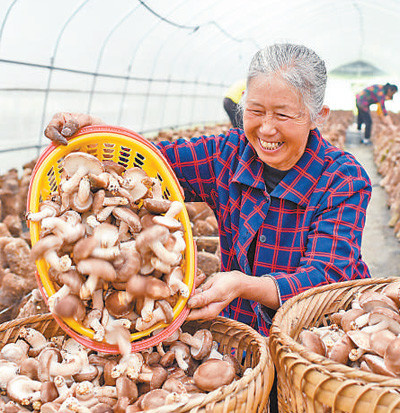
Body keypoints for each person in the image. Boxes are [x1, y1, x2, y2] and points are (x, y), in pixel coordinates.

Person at [45, 43, 372, 411]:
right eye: (255, 111)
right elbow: (149, 163)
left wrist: (245, 285)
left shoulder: (342, 178)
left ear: (317, 116)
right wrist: (96, 134)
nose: (266, 128)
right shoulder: (228, 153)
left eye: (283, 115)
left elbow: (330, 274)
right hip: (243, 336)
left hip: (314, 345)